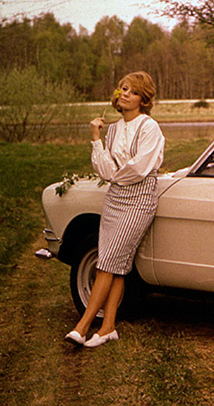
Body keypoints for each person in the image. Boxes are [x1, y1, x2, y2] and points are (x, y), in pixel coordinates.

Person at [64, 71, 165, 348]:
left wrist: (115, 176)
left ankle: (83, 326)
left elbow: (140, 168)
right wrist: (96, 138)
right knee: (117, 265)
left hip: (139, 200)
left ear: (143, 99)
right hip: (114, 199)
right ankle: (108, 327)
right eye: (123, 89)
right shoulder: (115, 129)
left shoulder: (149, 127)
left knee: (106, 262)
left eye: (133, 91)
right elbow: (104, 169)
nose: (126, 94)